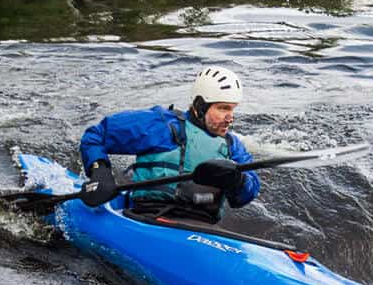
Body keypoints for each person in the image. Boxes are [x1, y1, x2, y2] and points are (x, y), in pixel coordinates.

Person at [78, 66, 260, 223]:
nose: (230, 118)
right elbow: (96, 135)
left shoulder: (232, 146)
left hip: (202, 226)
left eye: (233, 109)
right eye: (223, 108)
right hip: (146, 216)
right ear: (200, 106)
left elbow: (246, 195)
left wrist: (238, 180)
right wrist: (100, 171)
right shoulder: (161, 126)